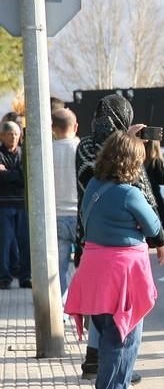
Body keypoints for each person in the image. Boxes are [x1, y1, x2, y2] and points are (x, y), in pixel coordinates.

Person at [65, 132, 164, 389]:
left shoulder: (94, 186)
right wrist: (161, 243)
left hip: (93, 268)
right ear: (133, 162)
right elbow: (152, 225)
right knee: (125, 335)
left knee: (108, 331)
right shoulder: (129, 193)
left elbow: (86, 222)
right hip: (121, 273)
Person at [51, 108, 79, 295]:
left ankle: (59, 311)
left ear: (53, 128)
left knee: (57, 269)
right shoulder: (82, 148)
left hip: (56, 216)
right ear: (75, 126)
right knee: (85, 266)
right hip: (81, 215)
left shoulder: (46, 151)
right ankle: (86, 309)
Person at [0, 119, 30, 289]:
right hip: (3, 205)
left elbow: (25, 176)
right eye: (10, 134)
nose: (14, 138)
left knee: (25, 242)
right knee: (4, 242)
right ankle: (4, 278)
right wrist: (17, 175)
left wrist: (8, 173)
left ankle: (26, 277)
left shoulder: (23, 153)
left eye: (16, 134)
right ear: (2, 135)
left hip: (22, 205)